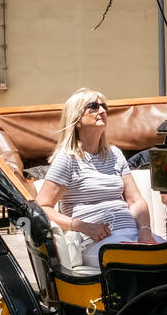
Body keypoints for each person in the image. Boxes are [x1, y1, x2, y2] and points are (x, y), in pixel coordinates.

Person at [37, 88, 157, 269]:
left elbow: (135, 200)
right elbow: (42, 207)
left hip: (132, 235)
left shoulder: (115, 154)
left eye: (104, 106)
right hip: (94, 242)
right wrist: (82, 226)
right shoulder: (68, 158)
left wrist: (145, 232)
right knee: (136, 261)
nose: (102, 111)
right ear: (76, 119)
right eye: (93, 106)